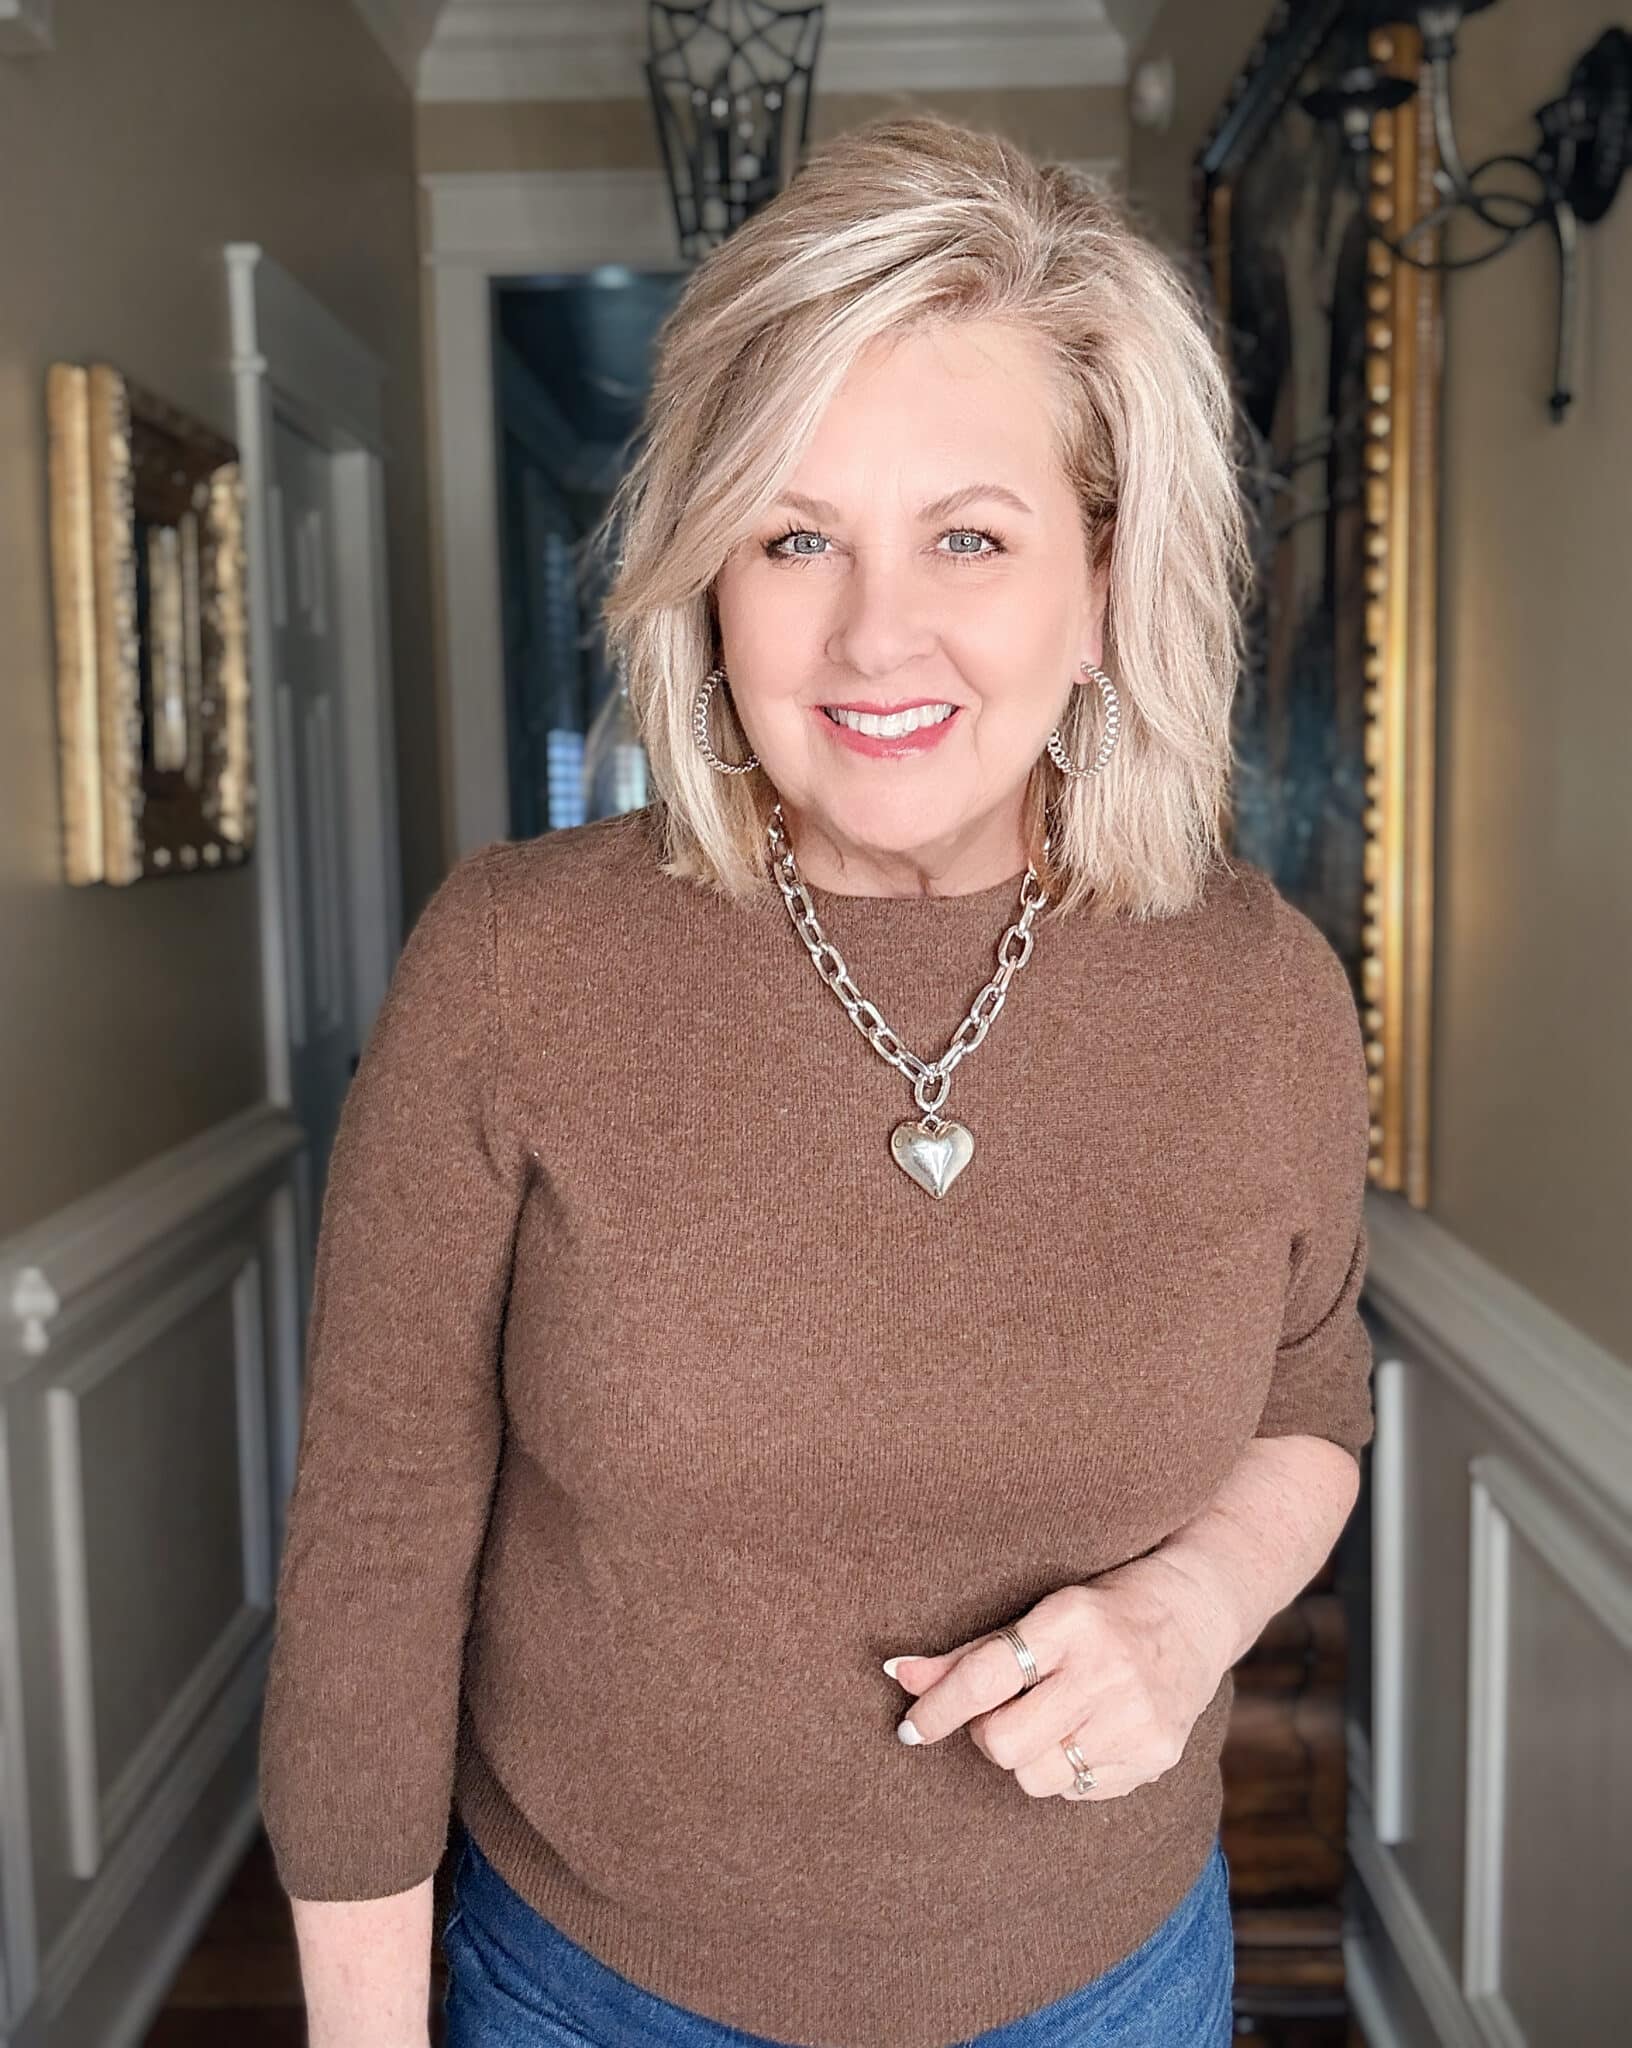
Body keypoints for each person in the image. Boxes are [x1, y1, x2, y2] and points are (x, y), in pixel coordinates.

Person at [259, 112, 1375, 2048]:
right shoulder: (522, 961)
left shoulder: (1260, 989)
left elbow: (1312, 1394)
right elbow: (375, 1536)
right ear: (707, 578)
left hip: (1112, 1976)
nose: (876, 632)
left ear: (1104, 579)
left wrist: (1195, 1606)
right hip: (596, 1985)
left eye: (969, 533)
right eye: (795, 534)